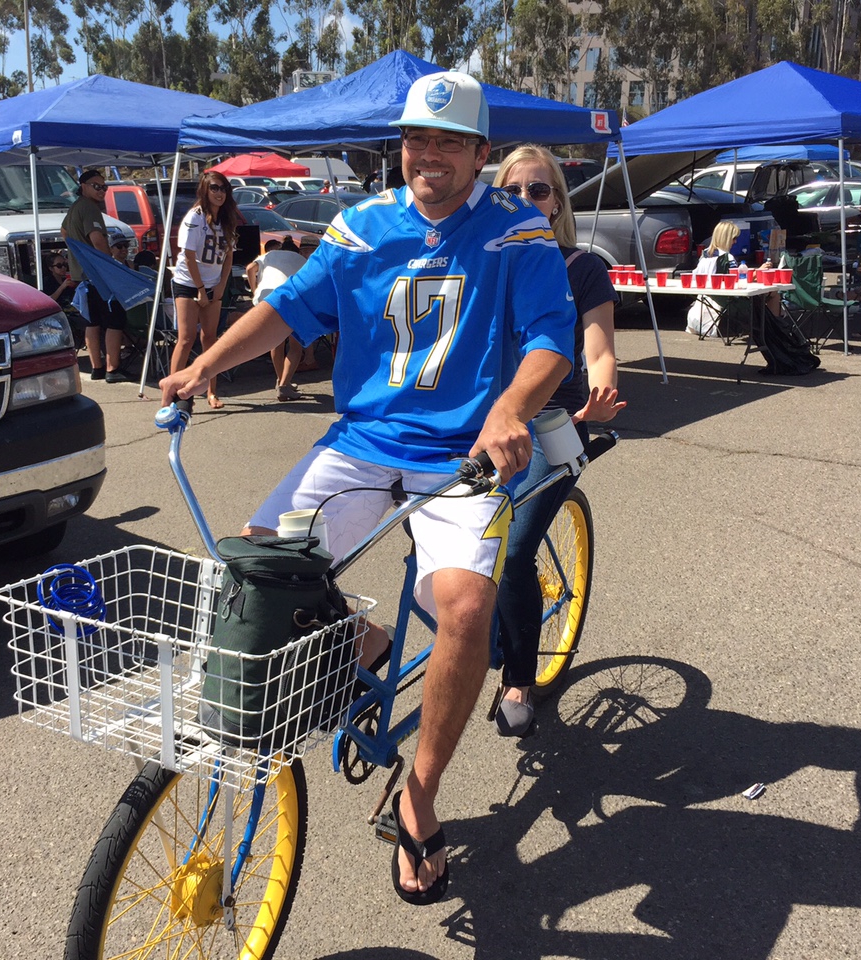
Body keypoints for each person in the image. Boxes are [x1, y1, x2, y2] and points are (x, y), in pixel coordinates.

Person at [161, 72, 576, 905]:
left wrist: (508, 407)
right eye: (417, 139)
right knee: (261, 569)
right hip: (362, 444)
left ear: (479, 155)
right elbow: (291, 313)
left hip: (462, 456)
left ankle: (419, 797)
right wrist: (202, 363)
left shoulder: (517, 233)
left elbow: (550, 343)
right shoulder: (360, 226)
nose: (429, 155)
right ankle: (365, 642)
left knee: (463, 607)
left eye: (448, 142)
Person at [490, 145, 625, 738]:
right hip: (486, 423)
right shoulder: (484, 260)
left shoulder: (583, 266)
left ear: (557, 203)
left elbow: (597, 348)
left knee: (514, 553)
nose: (524, 200)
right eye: (512, 190)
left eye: (538, 190)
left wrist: (599, 395)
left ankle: (518, 677)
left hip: (556, 424)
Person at [170, 171, 237, 408]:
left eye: (224, 189)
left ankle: (211, 392)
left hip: (213, 284)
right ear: (205, 191)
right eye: (215, 188)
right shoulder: (195, 217)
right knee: (186, 338)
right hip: (189, 283)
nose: (220, 193)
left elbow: (228, 255)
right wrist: (199, 288)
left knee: (210, 339)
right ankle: (173, 394)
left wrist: (220, 285)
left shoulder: (227, 219)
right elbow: (187, 255)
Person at [61, 169, 130, 383]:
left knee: (92, 323)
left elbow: (64, 232)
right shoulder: (90, 208)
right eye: (96, 186)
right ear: (83, 186)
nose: (102, 190)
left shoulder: (74, 208)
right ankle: (112, 369)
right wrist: (110, 265)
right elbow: (98, 240)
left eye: (104, 187)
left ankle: (97, 368)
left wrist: (77, 254)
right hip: (97, 276)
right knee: (115, 320)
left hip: (82, 276)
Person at [245, 238, 310, 401]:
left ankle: (281, 380)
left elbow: (250, 268)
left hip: (267, 298)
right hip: (290, 298)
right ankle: (284, 384)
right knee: (295, 345)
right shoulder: (302, 260)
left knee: (276, 343)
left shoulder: (269, 255)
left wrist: (255, 292)